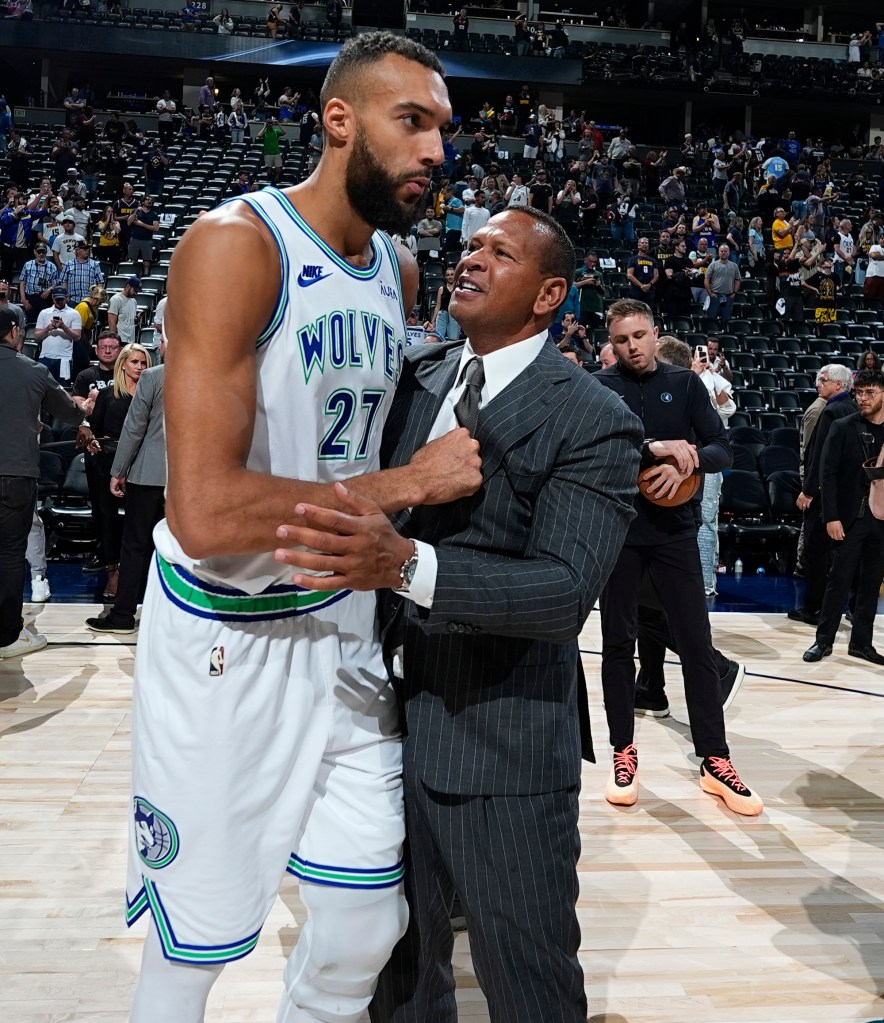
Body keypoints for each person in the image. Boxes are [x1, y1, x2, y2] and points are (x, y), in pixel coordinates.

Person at [125, 32, 484, 1023]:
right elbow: (203, 511)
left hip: (341, 631)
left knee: (366, 929)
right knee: (191, 953)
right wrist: (408, 482)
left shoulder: (395, 271)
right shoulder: (238, 245)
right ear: (338, 121)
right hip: (223, 645)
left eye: (442, 129)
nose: (434, 150)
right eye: (410, 121)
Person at [275, 206, 643, 1023]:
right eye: (471, 246)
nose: (470, 260)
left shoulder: (594, 415)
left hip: (503, 748)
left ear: (549, 293)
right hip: (377, 735)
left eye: (498, 253)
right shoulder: (424, 373)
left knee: (528, 979)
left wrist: (407, 564)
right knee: (397, 974)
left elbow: (560, 591)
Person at [595, 298, 763, 817]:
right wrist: (655, 449)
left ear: (655, 332)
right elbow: (597, 453)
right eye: (623, 340)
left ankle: (716, 759)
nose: (633, 347)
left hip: (674, 533)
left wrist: (688, 463)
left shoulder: (688, 384)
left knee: (696, 644)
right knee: (618, 644)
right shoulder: (600, 389)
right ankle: (623, 752)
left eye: (640, 336)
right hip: (620, 532)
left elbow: (723, 449)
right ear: (612, 342)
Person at [0, 307, 83, 659]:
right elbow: (70, 413)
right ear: (15, 332)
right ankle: (6, 637)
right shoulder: (33, 370)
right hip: (15, 473)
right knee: (9, 553)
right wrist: (85, 407)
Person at [87, 332, 169, 635]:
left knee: (134, 545)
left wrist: (118, 470)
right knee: (178, 547)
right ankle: (170, 618)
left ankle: (122, 616)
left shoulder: (154, 376)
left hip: (148, 475)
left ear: (164, 346)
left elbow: (134, 428)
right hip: (188, 478)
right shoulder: (209, 377)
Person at [803, 370, 884, 666]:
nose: (862, 398)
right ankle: (823, 641)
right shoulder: (842, 426)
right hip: (849, 518)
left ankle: (861, 643)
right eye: (859, 393)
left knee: (871, 584)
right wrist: (831, 517)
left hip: (881, 519)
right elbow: (828, 475)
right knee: (838, 581)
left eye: (869, 393)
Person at [81, 343, 152, 601]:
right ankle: (112, 572)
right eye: (135, 362)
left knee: (139, 521)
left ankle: (136, 575)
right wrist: (92, 439)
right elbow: (94, 428)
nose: (140, 368)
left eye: (144, 363)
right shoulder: (108, 395)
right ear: (123, 363)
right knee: (106, 519)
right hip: (106, 462)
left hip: (142, 464)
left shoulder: (152, 395)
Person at [790, 364, 856, 626]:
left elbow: (820, 456)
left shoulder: (831, 412)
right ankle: (839, 608)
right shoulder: (853, 408)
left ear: (839, 385)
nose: (818, 384)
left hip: (823, 495)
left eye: (823, 380)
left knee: (816, 553)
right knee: (841, 556)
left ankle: (812, 609)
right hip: (846, 495)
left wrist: (808, 491)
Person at [35, 284, 82, 384]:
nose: (59, 301)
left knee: (63, 389)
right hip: (45, 358)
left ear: (66, 298)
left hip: (64, 358)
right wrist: (47, 328)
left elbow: (77, 337)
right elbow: (37, 337)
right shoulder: (44, 313)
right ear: (52, 298)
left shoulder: (74, 313)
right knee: (43, 388)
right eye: (57, 299)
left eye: (61, 299)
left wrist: (63, 327)